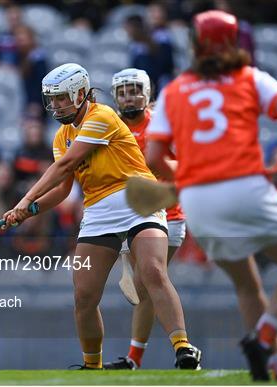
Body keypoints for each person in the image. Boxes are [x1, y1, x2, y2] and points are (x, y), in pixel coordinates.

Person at [144, 11, 277, 381]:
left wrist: (191, 175)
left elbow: (155, 157)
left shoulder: (175, 90)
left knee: (246, 283)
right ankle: (264, 336)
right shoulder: (249, 78)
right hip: (245, 187)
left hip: (199, 201)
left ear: (195, 46)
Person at [3, 63, 201, 370]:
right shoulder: (61, 136)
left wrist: (25, 198)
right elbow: (62, 190)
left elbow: (64, 167)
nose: (55, 105)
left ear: (81, 93)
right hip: (98, 212)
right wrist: (29, 211)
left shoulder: (102, 116)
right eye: (51, 99)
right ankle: (92, 366)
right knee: (84, 295)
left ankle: (183, 348)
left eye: (61, 98)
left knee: (151, 272)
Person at [103, 68, 186, 370]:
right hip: (130, 219)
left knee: (147, 279)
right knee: (145, 285)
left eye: (135, 90)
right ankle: (137, 357)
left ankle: (181, 347)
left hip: (169, 215)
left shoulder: (163, 125)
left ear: (148, 93)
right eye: (123, 92)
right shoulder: (110, 128)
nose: (129, 97)